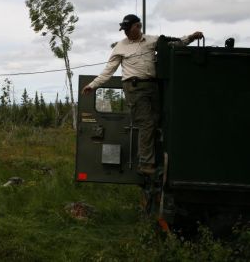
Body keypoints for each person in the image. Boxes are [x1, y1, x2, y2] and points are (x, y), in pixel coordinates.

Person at [82, 14, 203, 174]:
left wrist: (192, 37)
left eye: (128, 29)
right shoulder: (120, 47)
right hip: (134, 87)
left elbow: (175, 43)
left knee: (157, 120)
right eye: (123, 29)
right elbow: (108, 71)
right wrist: (93, 85)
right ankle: (145, 164)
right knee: (146, 122)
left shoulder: (152, 41)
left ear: (138, 26)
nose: (125, 33)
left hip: (152, 86)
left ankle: (159, 158)